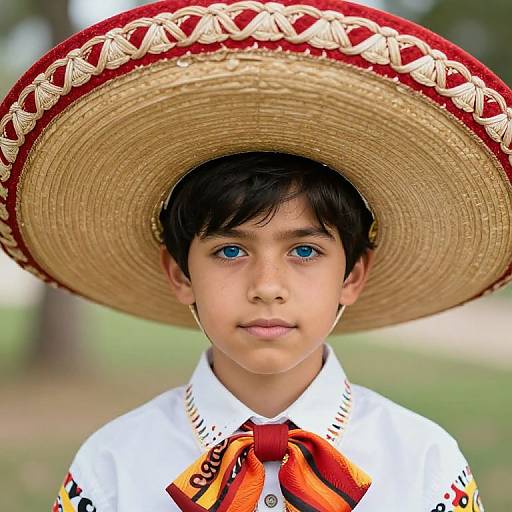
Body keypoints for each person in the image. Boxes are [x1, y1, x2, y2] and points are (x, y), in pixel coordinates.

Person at [0, 0, 510, 510]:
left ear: (353, 275)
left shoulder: (426, 463)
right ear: (180, 274)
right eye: (229, 250)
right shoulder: (111, 465)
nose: (267, 284)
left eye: (305, 250)